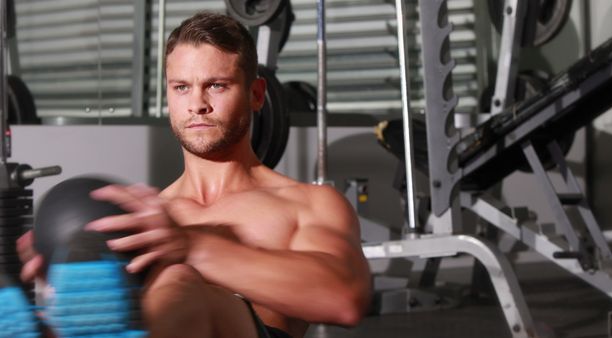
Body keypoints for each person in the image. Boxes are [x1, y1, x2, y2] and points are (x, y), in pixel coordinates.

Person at [17, 11, 371, 338]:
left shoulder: (307, 204)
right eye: (181, 87)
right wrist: (56, 280)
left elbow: (344, 299)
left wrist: (192, 247)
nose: (197, 104)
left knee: (181, 280)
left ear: (256, 94)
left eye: (216, 85)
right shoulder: (148, 215)